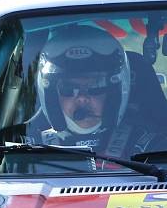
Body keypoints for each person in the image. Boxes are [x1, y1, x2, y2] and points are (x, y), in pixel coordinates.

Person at [28, 23, 157, 160]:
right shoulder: (25, 150)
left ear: (116, 92)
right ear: (51, 95)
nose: (82, 98)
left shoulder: (150, 147)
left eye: (96, 86)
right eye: (68, 88)